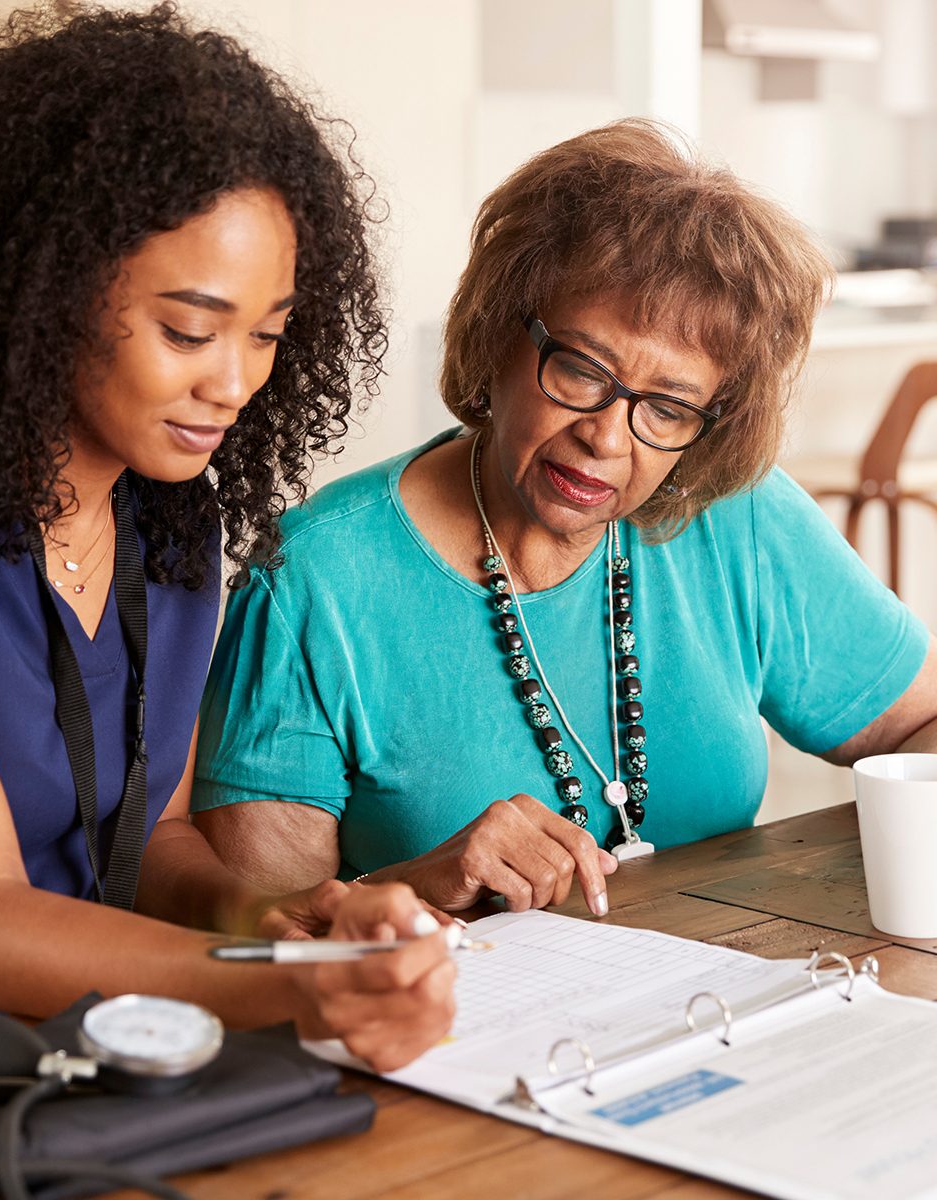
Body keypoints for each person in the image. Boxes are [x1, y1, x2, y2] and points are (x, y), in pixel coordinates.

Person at [0, 5, 455, 1069]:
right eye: (189, 330)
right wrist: (288, 992)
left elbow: (150, 841)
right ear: (40, 291)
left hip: (89, 1060)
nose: (235, 383)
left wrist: (279, 924)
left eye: (267, 335)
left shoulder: (170, 515)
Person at [192, 119, 937, 919]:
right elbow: (263, 940)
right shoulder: (317, 582)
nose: (608, 437)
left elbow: (920, 723)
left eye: (669, 407)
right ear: (497, 335)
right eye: (582, 371)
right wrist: (417, 884)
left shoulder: (736, 516)